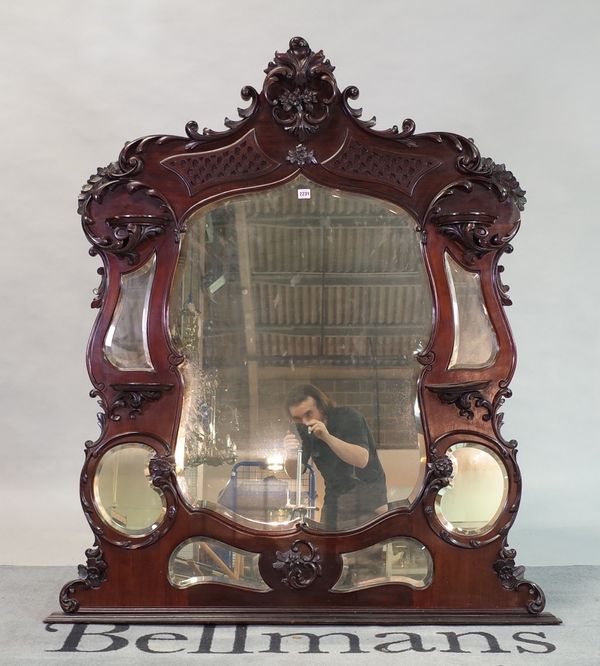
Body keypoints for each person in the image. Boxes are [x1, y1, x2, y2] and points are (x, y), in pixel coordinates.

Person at [284, 384, 387, 530]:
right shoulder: (302, 430)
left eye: (309, 414)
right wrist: (290, 454)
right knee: (326, 549)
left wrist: (327, 437)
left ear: (321, 407)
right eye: (297, 418)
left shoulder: (348, 416)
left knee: (363, 550)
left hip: (367, 499)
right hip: (334, 498)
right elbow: (295, 473)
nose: (305, 422)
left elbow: (361, 459)